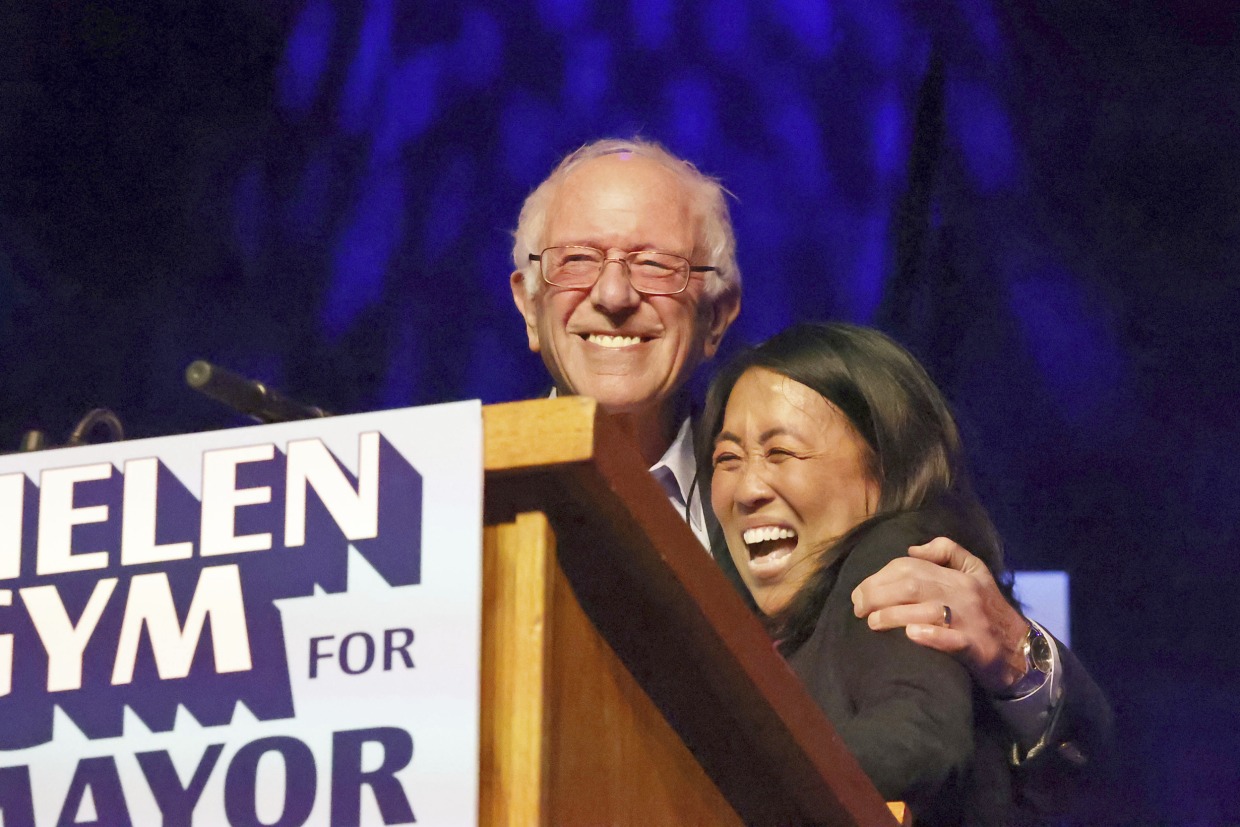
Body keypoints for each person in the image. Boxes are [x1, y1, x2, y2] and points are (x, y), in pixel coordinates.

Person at [508, 137, 1110, 811]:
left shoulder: (785, 499)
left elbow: (1032, 756)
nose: (613, 293)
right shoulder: (443, 494)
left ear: (718, 313)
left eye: (655, 265)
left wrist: (1016, 655)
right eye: (577, 262)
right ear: (529, 304)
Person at [701, 322, 1014, 823]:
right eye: (728, 458)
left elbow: (921, 737)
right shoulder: (763, 619)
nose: (746, 489)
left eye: (781, 452)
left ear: (885, 467)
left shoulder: (893, 559)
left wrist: (699, 773)